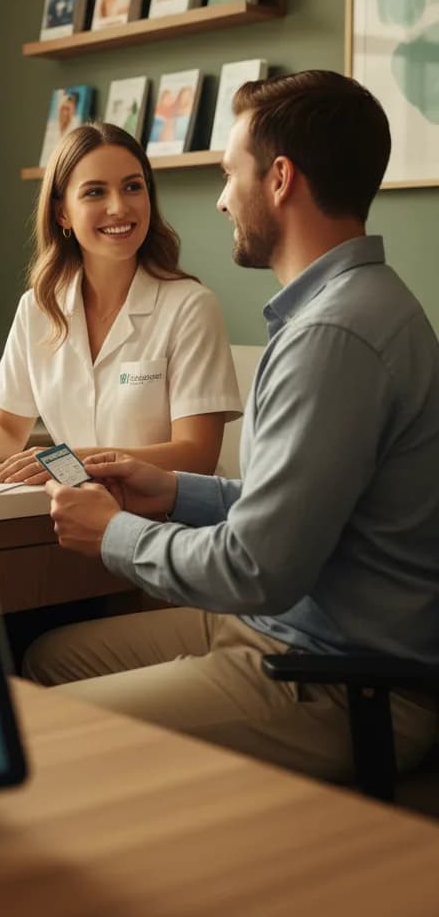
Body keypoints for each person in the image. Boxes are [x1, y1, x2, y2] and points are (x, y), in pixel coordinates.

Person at [25, 70, 439, 782]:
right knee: (43, 658)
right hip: (294, 627)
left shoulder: (334, 336)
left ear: (279, 178)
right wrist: (175, 490)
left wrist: (114, 533)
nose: (220, 199)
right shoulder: (342, 308)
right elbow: (301, 510)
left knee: (42, 734)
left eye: (229, 174)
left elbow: (257, 568)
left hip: (340, 678)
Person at [0, 122, 241, 483]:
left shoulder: (190, 307)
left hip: (174, 523)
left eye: (132, 187)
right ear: (62, 213)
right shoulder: (38, 308)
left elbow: (196, 455)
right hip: (74, 515)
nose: (119, 207)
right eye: (95, 192)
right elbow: (7, 429)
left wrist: (76, 461)